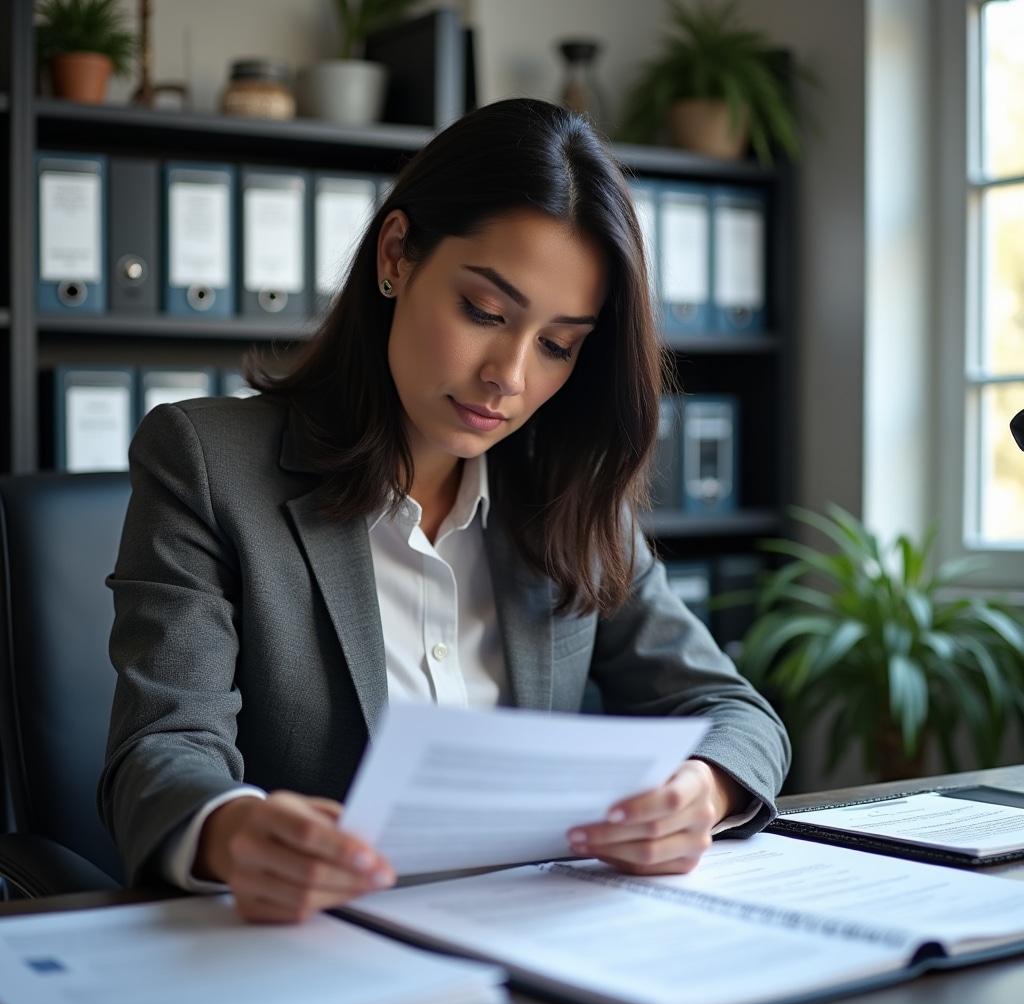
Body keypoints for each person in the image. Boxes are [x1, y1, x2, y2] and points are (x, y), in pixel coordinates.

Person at [100, 97, 790, 924]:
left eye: (559, 345)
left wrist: (699, 790)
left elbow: (736, 714)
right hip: (320, 949)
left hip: (539, 945)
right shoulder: (208, 466)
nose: (511, 375)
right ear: (397, 255)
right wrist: (233, 830)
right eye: (485, 313)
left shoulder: (569, 499)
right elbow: (162, 748)